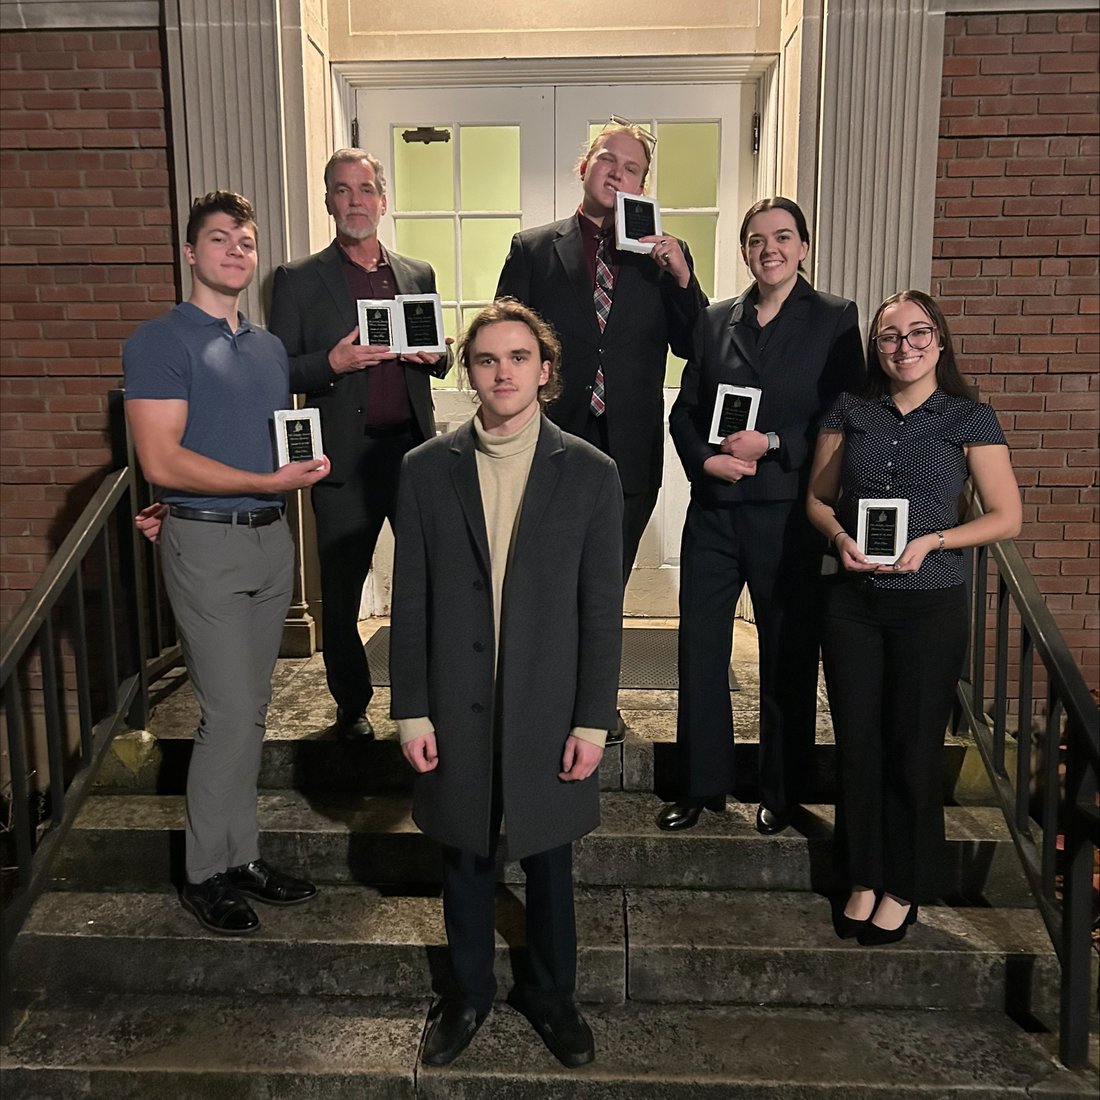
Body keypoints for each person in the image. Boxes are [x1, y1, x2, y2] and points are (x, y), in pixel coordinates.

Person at [390, 299, 623, 1068]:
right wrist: (412, 710)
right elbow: (412, 597)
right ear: (470, 371)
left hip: (549, 705)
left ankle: (553, 996)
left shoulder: (591, 474)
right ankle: (467, 995)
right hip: (456, 702)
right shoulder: (425, 470)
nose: (503, 372)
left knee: (550, 862)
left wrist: (592, 721)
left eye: (519, 357)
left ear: (545, 370)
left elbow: (600, 610)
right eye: (487, 359)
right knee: (464, 858)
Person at [124, 191, 330, 934]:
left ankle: (239, 855)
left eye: (245, 241)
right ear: (190, 253)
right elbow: (158, 455)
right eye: (219, 240)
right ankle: (205, 872)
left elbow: (261, 441)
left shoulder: (270, 348)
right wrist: (188, 499)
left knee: (250, 713)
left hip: (272, 538)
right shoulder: (159, 340)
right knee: (229, 712)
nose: (236, 251)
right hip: (207, 540)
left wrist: (291, 473)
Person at [807, 289, 1021, 943]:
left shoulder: (969, 417)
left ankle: (905, 883)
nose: (905, 346)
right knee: (860, 745)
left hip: (930, 606)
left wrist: (935, 540)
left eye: (918, 333)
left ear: (940, 341)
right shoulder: (852, 411)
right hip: (854, 605)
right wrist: (840, 539)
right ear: (878, 349)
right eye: (891, 336)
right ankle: (864, 875)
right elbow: (817, 501)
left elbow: (1005, 515)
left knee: (914, 747)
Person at [496, 120, 708, 743]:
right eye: (608, 160)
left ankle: (594, 707)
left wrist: (681, 278)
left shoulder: (665, 256)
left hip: (628, 450)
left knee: (604, 588)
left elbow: (695, 346)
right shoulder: (534, 248)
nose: (619, 172)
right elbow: (508, 342)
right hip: (549, 445)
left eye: (633, 166)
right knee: (544, 580)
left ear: (645, 182)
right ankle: (536, 698)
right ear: (583, 166)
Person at [662, 197, 865, 835]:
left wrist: (773, 444)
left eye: (782, 237)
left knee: (786, 655)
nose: (768, 248)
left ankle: (781, 789)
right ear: (745, 249)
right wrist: (704, 461)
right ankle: (701, 787)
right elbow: (685, 411)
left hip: (787, 514)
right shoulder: (716, 319)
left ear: (803, 246)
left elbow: (845, 416)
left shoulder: (835, 318)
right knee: (698, 650)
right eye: (756, 239)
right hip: (715, 513)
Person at [269, 148, 451, 740]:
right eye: (343, 190)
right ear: (328, 200)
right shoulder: (297, 280)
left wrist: (439, 354)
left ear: (382, 199)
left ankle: (427, 702)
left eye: (366, 189)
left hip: (413, 454)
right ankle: (351, 706)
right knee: (342, 595)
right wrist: (332, 361)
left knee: (431, 584)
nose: (356, 201)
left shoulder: (416, 274)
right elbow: (278, 371)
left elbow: (438, 356)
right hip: (342, 459)